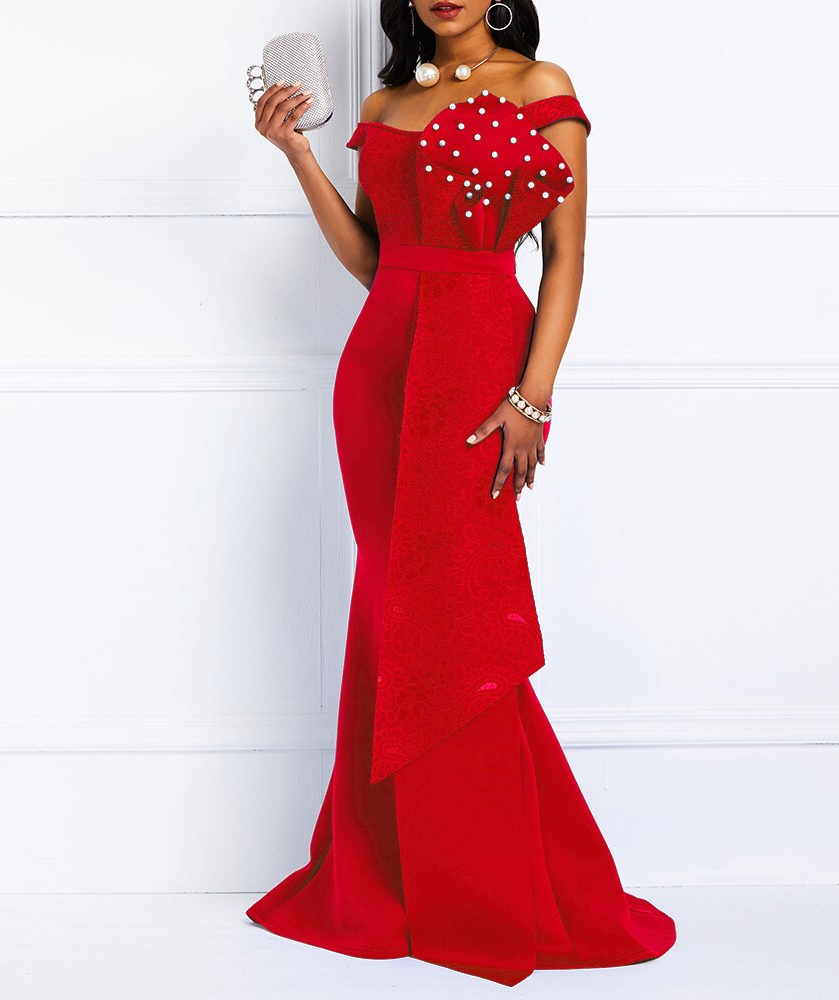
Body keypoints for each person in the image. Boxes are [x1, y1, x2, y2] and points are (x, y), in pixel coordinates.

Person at [244, 0, 677, 986]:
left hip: (482, 365)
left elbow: (566, 255)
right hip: (379, 367)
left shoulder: (540, 85)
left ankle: (488, 880)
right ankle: (390, 872)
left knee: (458, 612)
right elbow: (373, 260)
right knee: (389, 603)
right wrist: (299, 157)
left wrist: (533, 394)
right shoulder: (384, 102)